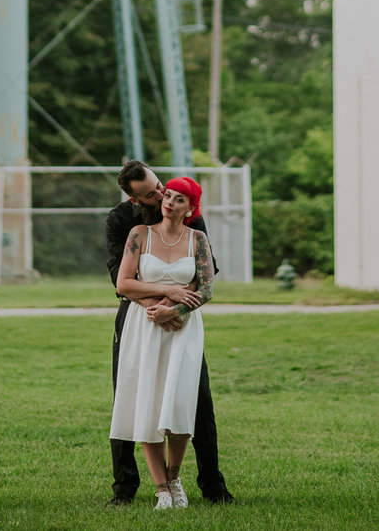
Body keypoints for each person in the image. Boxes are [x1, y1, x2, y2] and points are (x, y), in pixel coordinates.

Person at [105, 160, 234, 507]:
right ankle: (126, 490)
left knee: (196, 401)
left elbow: (207, 276)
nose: (163, 195)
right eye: (153, 194)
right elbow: (121, 281)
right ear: (136, 200)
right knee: (133, 395)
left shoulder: (192, 220)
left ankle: (211, 486)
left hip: (182, 320)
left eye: (161, 185)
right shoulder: (124, 222)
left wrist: (175, 307)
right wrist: (161, 303)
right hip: (139, 316)